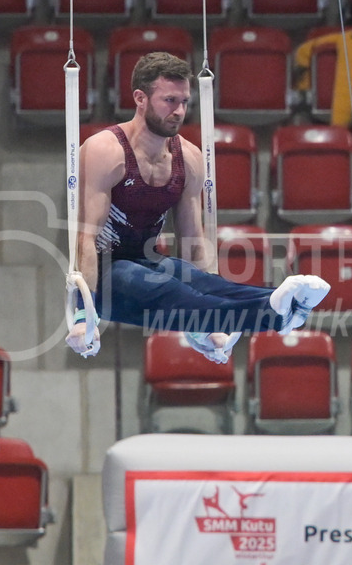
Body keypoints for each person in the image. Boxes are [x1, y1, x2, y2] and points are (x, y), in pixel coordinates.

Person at [65, 52, 330, 362]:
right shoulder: (105, 150)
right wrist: (85, 312)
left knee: (199, 281)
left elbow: (193, 241)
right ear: (140, 98)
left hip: (146, 260)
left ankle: (283, 310)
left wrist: (207, 327)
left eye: (185, 102)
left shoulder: (188, 158)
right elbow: (86, 237)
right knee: (165, 288)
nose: (179, 111)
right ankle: (273, 312)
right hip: (103, 272)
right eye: (169, 100)